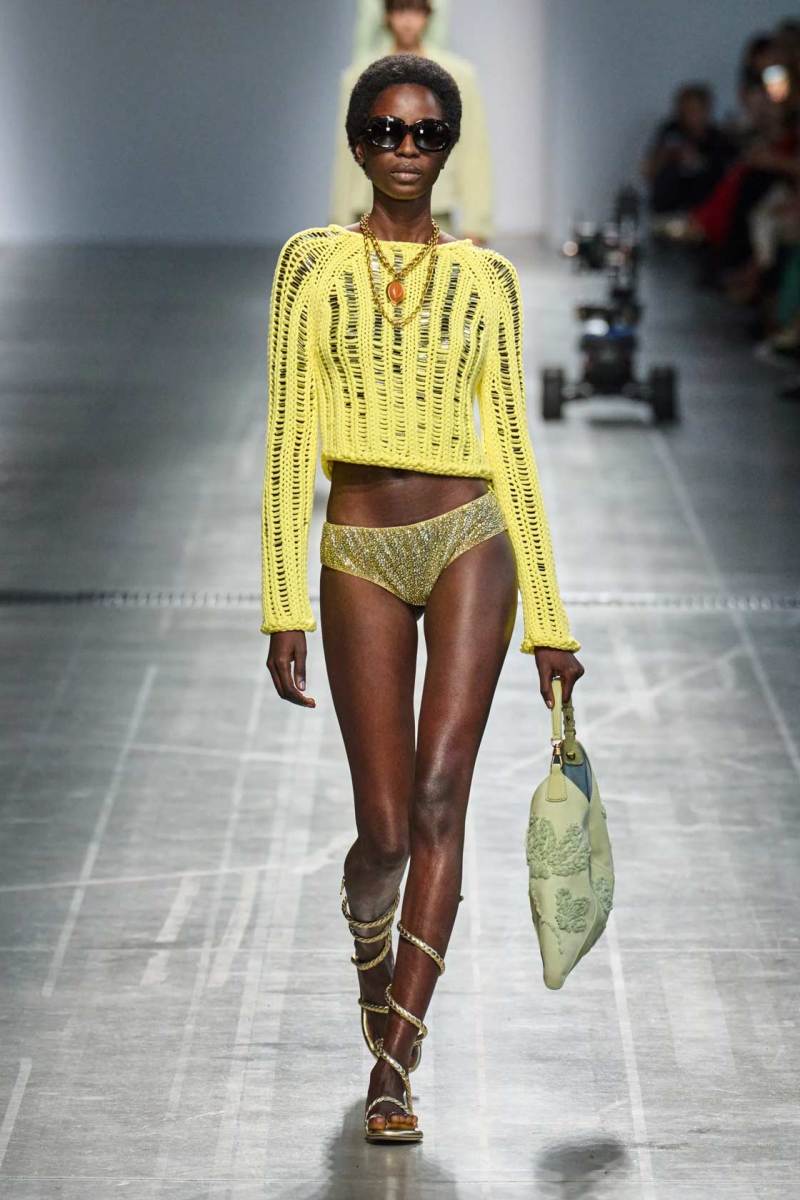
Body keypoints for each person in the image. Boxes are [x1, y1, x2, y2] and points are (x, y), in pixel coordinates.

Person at [261, 52, 584, 1143]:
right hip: (357, 544)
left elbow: (515, 449)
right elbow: (287, 440)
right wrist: (282, 602)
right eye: (388, 132)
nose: (407, 149)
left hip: (470, 539)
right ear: (358, 143)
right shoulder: (308, 264)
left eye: (427, 132)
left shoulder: (487, 279)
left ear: (447, 147)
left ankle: (395, 1059)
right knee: (387, 830)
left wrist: (550, 623)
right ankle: (371, 935)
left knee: (444, 797)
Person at [330, 0, 493, 245]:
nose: (407, 21)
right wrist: (338, 222)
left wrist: (476, 222)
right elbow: (347, 152)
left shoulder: (459, 76)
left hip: (436, 208)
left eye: (416, 10)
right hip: (369, 208)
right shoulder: (357, 76)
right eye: (399, 10)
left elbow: (472, 150)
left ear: (429, 15)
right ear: (386, 15)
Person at [642, 83, 737, 216]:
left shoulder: (719, 139)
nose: (693, 115)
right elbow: (649, 171)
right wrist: (667, 156)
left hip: (704, 212)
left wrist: (700, 163)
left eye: (698, 110)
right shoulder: (670, 131)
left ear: (707, 110)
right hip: (668, 210)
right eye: (688, 110)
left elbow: (727, 179)